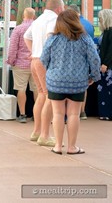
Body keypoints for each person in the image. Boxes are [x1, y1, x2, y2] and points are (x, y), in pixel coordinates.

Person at [41, 9, 100, 155]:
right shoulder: (85, 39)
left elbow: (43, 58)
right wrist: (93, 75)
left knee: (58, 113)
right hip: (78, 81)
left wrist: (52, 69)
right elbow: (95, 59)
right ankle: (72, 147)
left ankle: (57, 146)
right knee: (74, 114)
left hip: (56, 81)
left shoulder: (53, 39)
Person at [24, 0, 64, 147]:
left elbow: (26, 36)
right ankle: (45, 135)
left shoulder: (38, 19)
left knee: (41, 94)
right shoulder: (54, 19)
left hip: (35, 59)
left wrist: (33, 50)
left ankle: (37, 132)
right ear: (59, 8)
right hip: (44, 60)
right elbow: (50, 37)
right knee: (50, 96)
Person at [7, 7, 37, 123]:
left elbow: (13, 47)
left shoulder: (18, 29)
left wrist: (11, 61)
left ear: (23, 16)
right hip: (36, 63)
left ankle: (23, 114)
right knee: (37, 90)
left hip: (20, 64)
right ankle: (36, 114)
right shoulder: (38, 28)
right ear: (33, 16)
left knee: (21, 89)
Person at [97, 9, 112, 120]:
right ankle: (105, 113)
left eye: (101, 18)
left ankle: (107, 113)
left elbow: (110, 50)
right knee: (104, 90)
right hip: (104, 66)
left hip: (107, 67)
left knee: (107, 90)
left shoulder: (109, 31)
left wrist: (105, 63)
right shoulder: (105, 31)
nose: (99, 20)